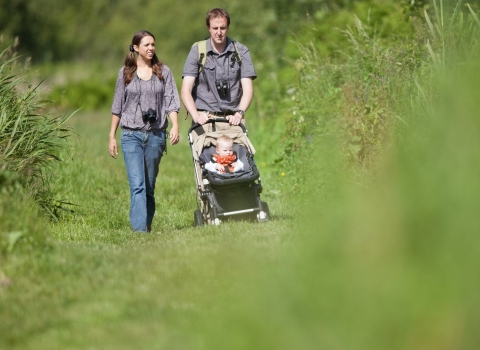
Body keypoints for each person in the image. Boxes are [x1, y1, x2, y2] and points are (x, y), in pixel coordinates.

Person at [108, 30, 180, 233]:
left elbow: (171, 101)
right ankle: (139, 231)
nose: (151, 48)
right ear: (136, 48)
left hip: (156, 135)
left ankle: (146, 226)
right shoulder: (125, 73)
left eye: (153, 45)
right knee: (137, 185)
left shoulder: (163, 72)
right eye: (146, 45)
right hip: (131, 135)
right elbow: (117, 106)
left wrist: (175, 125)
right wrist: (112, 136)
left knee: (148, 187)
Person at [181, 8, 256, 129]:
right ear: (208, 28)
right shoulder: (197, 51)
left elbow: (248, 90)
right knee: (208, 149)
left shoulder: (241, 51)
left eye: (223, 28)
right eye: (215, 28)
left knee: (239, 149)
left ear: (228, 27)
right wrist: (196, 116)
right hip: (204, 118)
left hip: (233, 119)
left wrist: (239, 114)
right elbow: (185, 90)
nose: (219, 32)